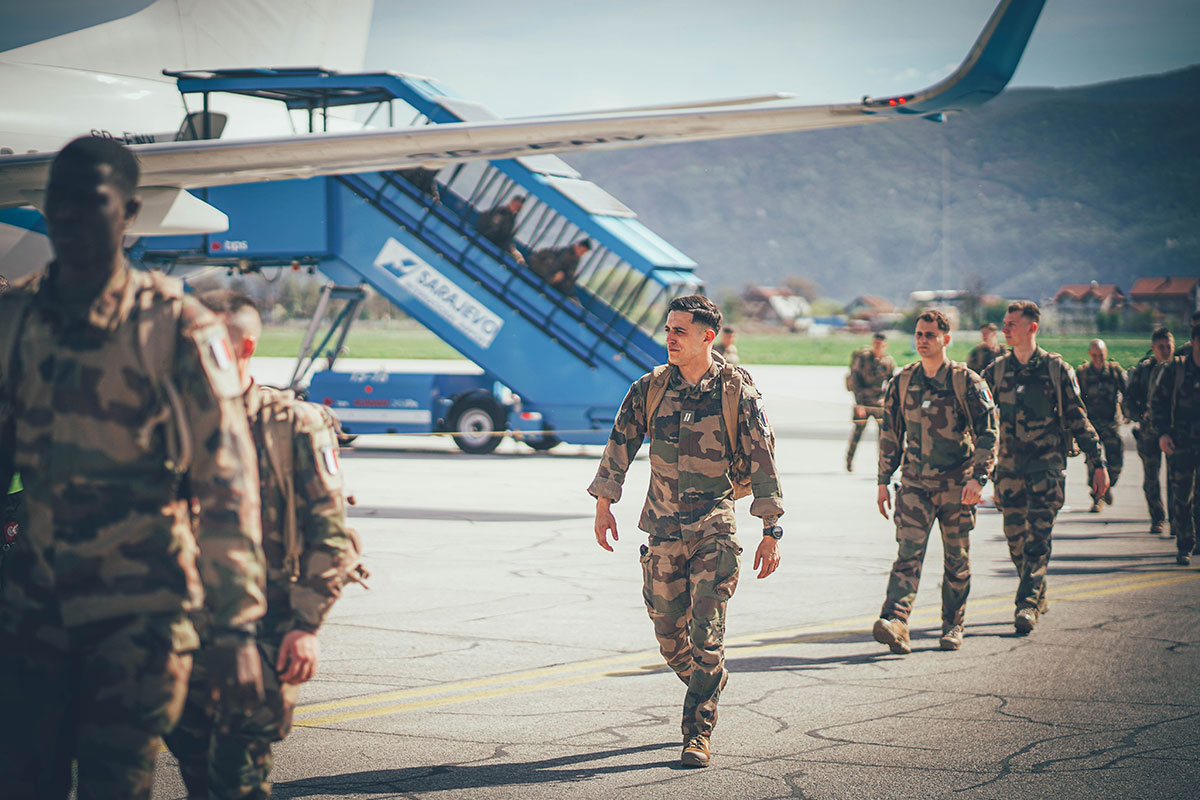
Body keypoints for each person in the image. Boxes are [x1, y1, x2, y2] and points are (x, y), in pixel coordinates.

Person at [0, 136, 266, 800]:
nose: (69, 219)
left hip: (139, 613)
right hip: (33, 609)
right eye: (56, 203)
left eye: (90, 203)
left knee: (114, 786)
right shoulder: (14, 318)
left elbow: (226, 481)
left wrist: (235, 629)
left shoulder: (174, 327)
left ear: (129, 212)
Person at [165, 291, 363, 799]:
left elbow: (330, 531)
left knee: (240, 773)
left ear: (245, 346)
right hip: (183, 629)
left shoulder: (293, 423)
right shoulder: (172, 423)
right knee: (195, 768)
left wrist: (305, 624)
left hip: (267, 629)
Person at [589, 295, 783, 768]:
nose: (670, 338)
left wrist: (771, 529)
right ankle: (708, 679)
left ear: (706, 337)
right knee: (669, 637)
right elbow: (621, 443)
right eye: (669, 329)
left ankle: (696, 733)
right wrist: (604, 504)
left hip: (714, 527)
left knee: (706, 634)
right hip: (661, 527)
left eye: (680, 330)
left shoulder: (737, 390)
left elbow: (762, 459)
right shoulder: (651, 387)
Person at [873, 310, 997, 654]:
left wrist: (979, 478)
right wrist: (883, 479)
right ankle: (896, 621)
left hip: (958, 485)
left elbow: (988, 433)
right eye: (918, 334)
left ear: (946, 338)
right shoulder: (902, 381)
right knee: (907, 555)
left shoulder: (965, 381)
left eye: (929, 334)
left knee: (956, 558)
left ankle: (953, 624)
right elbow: (890, 434)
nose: (922, 340)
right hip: (914, 485)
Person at [983, 301, 1108, 634]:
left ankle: (1025, 604)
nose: (1005, 329)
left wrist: (1098, 462)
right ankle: (1037, 591)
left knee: (1038, 538)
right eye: (1004, 324)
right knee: (1015, 541)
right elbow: (976, 420)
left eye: (1012, 324)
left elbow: (1079, 419)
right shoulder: (995, 372)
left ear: (1032, 328)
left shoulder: (1055, 370)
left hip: (1046, 469)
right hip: (1008, 470)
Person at [1152, 323, 1200, 565]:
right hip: (1181, 443)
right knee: (1182, 496)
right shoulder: (1177, 369)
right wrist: (1162, 433)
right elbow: (1158, 403)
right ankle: (1185, 545)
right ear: (1193, 343)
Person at [1124, 327, 1176, 534]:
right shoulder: (1143, 371)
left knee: (1177, 478)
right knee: (1151, 478)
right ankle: (1157, 517)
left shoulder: (1182, 370)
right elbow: (1128, 399)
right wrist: (1138, 415)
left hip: (1175, 432)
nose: (1165, 350)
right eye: (1160, 347)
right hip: (1149, 432)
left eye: (1168, 346)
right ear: (1152, 348)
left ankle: (1178, 520)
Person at [1076, 338, 1127, 513]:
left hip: (1111, 425)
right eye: (1095, 355)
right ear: (1090, 354)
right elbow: (1075, 399)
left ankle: (1107, 488)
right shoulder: (1082, 373)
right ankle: (1097, 499)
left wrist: (1128, 412)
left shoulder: (1114, 371)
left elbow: (1127, 391)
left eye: (1101, 355)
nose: (1098, 358)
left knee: (1116, 464)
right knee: (1094, 465)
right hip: (1091, 426)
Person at [846, 332, 896, 472]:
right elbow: (855, 381)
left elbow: (892, 383)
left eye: (880, 344)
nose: (877, 346)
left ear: (885, 345)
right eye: (875, 343)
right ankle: (849, 461)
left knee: (883, 437)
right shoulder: (863, 358)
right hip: (863, 401)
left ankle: (882, 466)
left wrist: (888, 402)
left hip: (879, 404)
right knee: (857, 432)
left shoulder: (888, 361)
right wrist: (859, 404)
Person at [475, 195, 526, 264]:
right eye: (517, 206)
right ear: (512, 202)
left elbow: (506, 235)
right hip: (485, 242)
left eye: (519, 207)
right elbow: (492, 230)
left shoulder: (511, 219)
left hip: (495, 246)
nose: (518, 209)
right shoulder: (500, 212)